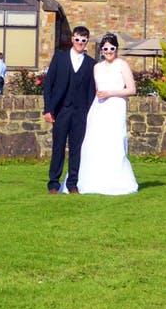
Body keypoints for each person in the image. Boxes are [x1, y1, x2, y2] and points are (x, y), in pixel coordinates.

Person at [77, 33, 139, 196]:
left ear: (116, 49)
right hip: (99, 108)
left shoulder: (122, 65)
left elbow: (131, 89)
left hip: (116, 106)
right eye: (105, 49)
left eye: (112, 48)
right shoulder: (97, 67)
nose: (109, 51)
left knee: (114, 142)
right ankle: (93, 180)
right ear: (101, 50)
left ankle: (116, 180)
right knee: (94, 142)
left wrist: (110, 93)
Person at [42, 26, 98, 194]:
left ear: (87, 42)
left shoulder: (91, 64)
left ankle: (72, 184)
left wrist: (88, 113)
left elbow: (91, 90)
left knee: (76, 149)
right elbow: (49, 85)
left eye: (83, 40)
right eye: (77, 39)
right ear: (72, 39)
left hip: (80, 113)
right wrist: (48, 109)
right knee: (58, 148)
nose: (80, 42)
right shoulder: (60, 57)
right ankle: (53, 184)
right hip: (61, 111)